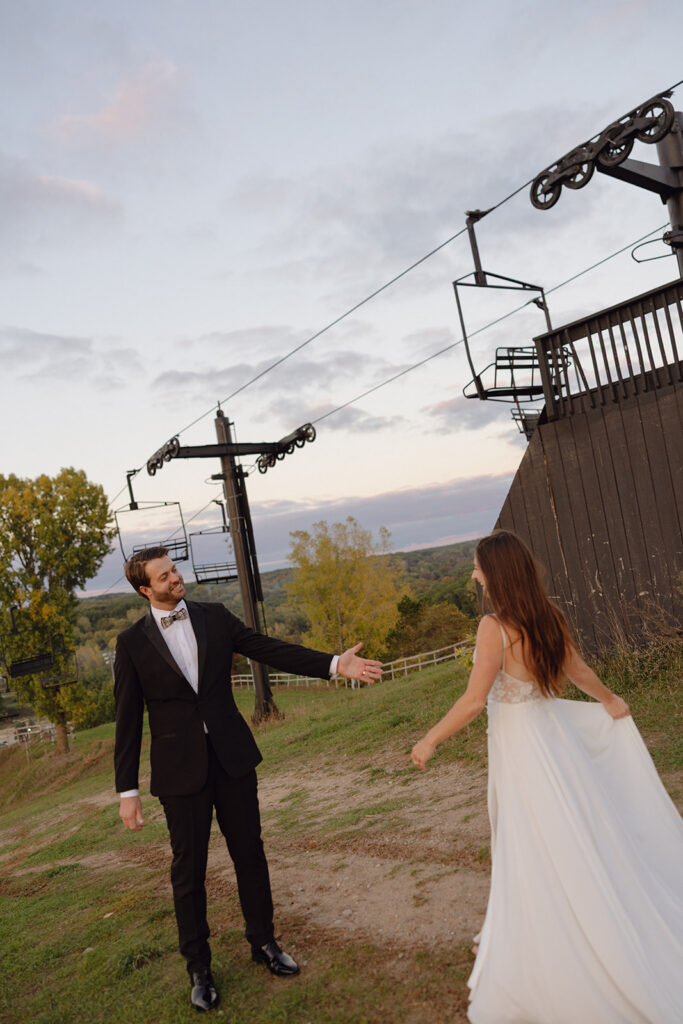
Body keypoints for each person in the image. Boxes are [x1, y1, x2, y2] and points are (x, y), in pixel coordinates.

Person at [411, 530, 683, 1024]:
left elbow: (475, 700)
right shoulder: (546, 615)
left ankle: (554, 942)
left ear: (496, 573)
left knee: (535, 837)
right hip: (551, 737)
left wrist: (429, 739)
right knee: (567, 829)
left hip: (523, 747)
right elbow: (577, 671)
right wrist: (609, 700)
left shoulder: (494, 626)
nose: (473, 574)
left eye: (477, 567)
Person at [114, 546, 382, 1013]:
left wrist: (336, 664)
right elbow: (126, 720)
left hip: (233, 758)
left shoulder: (214, 616)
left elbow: (267, 649)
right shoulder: (131, 642)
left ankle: (264, 943)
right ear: (145, 590)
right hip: (179, 772)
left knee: (250, 855)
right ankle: (199, 968)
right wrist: (128, 791)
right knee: (188, 871)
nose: (176, 578)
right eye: (164, 576)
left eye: (174, 569)